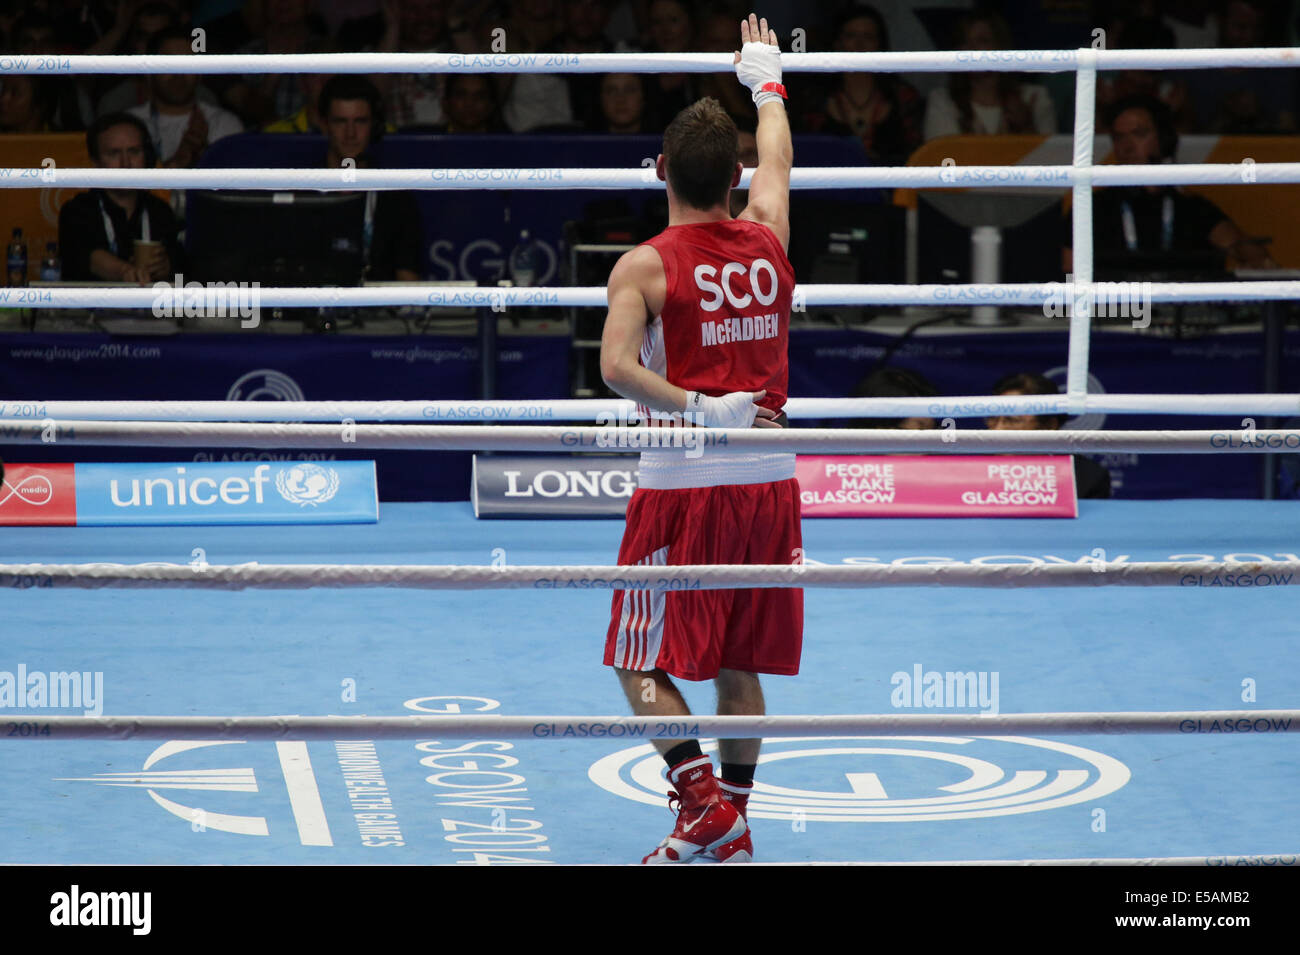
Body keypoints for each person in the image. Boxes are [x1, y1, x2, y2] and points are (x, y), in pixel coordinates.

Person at [599, 13, 797, 864]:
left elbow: (613, 368)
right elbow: (779, 163)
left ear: (660, 171)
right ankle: (734, 828)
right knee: (736, 658)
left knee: (633, 656)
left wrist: (689, 402)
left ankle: (705, 805)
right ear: (738, 177)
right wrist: (769, 83)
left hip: (681, 482)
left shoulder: (643, 264)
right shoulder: (770, 235)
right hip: (769, 481)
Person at [1062, 94, 1276, 274]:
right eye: (1119, 138)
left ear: (1164, 140)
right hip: (1117, 315)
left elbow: (1255, 258)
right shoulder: (1090, 208)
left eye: (1139, 134)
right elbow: (1069, 277)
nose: (1126, 147)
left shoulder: (1191, 207)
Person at [58, 112, 183, 284]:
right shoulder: (78, 210)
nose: (125, 163)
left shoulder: (160, 211)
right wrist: (126, 271)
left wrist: (167, 268)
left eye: (134, 151)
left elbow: (182, 270)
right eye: (114, 153)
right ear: (96, 163)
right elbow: (89, 257)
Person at [318, 75, 422, 281]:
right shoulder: (297, 187)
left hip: (376, 309)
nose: (350, 133)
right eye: (340, 121)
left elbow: (408, 281)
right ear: (325, 125)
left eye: (360, 122)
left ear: (374, 126)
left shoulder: (396, 197)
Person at [923, 10, 1056, 140]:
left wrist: (1027, 127)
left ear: (1001, 46)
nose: (971, 49)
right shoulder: (942, 101)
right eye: (964, 41)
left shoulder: (1035, 97)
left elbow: (1052, 158)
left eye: (982, 41)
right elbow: (943, 158)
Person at [126, 27, 243, 168]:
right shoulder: (127, 126)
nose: (178, 74)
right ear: (149, 72)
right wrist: (179, 160)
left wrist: (207, 157)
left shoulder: (225, 124)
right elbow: (125, 188)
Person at [985, 371, 1112, 499]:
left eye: (1012, 420)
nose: (997, 429)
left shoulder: (1087, 478)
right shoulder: (972, 470)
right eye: (993, 419)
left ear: (1049, 425)